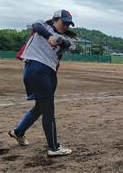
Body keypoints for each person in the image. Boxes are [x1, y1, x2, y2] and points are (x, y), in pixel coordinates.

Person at [9, 10, 76, 156]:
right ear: (55, 19)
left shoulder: (64, 37)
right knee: (48, 110)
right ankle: (53, 147)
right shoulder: (43, 26)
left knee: (41, 107)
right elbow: (37, 26)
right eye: (63, 22)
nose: (66, 26)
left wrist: (60, 40)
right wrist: (50, 36)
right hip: (38, 69)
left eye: (68, 24)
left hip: (49, 72)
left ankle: (18, 132)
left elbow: (71, 46)